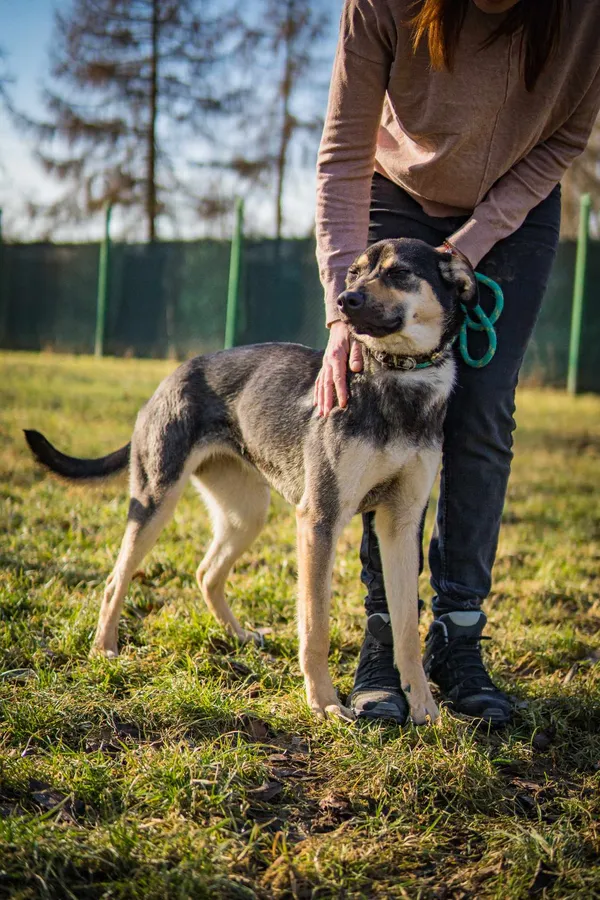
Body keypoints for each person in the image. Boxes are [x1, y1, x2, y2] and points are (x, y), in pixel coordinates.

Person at [314, 0, 600, 726]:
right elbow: (345, 153)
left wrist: (472, 245)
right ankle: (385, 638)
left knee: (481, 410)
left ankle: (458, 635)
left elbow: (565, 134)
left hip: (514, 208)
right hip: (394, 195)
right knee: (378, 404)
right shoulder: (383, 6)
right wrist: (340, 308)